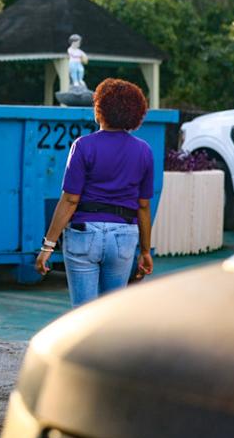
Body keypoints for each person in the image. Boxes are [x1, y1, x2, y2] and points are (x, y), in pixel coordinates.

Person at [35, 78, 155, 308]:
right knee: (109, 313)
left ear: (100, 110)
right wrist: (146, 250)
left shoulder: (83, 146)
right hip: (124, 235)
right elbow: (143, 206)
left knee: (82, 314)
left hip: (84, 233)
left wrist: (47, 246)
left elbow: (70, 200)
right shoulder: (144, 151)